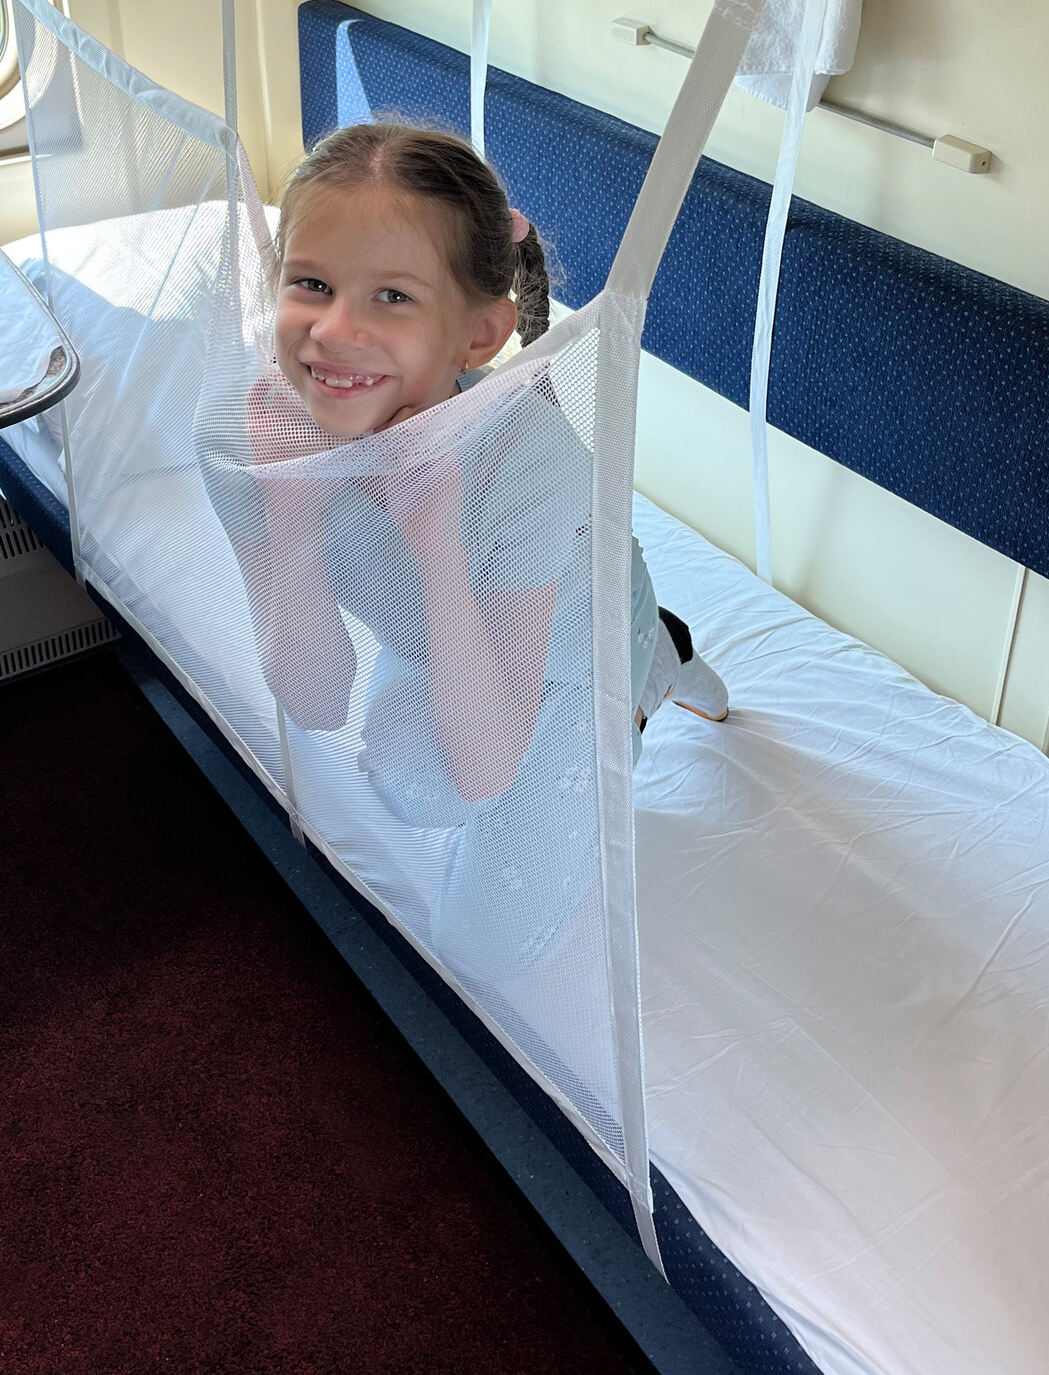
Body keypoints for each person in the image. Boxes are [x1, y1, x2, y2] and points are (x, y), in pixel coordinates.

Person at [204, 121, 728, 980]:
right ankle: (647, 654)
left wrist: (435, 537)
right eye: (313, 283)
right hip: (446, 638)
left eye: (393, 296)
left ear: (478, 338)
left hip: (576, 639)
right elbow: (316, 702)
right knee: (411, 783)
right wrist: (291, 513)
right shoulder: (245, 433)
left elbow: (486, 773)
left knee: (482, 955)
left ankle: (648, 664)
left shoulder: (532, 459)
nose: (333, 330)